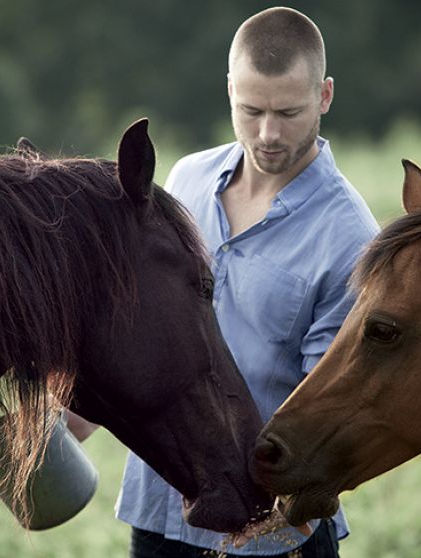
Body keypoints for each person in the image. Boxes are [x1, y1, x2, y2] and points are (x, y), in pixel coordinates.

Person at [115, 7, 379, 558]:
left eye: (288, 111)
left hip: (270, 534)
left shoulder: (352, 238)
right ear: (229, 88)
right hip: (159, 508)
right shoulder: (184, 178)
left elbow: (331, 411)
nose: (267, 133)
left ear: (325, 96)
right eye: (250, 109)